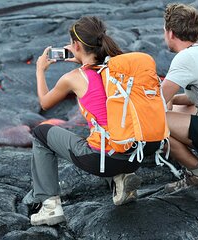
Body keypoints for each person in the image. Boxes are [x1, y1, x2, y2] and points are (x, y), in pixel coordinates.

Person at [22, 16, 161, 226]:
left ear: (76, 45)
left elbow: (45, 102)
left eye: (72, 44)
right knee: (109, 130)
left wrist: (40, 70)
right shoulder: (119, 71)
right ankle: (121, 179)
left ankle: (50, 206)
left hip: (103, 161)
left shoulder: (74, 77)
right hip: (135, 155)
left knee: (41, 134)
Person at [161, 3, 198, 193]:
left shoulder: (185, 59)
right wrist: (172, 100)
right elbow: (194, 97)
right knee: (179, 109)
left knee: (153, 123)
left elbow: (156, 100)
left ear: (171, 33)